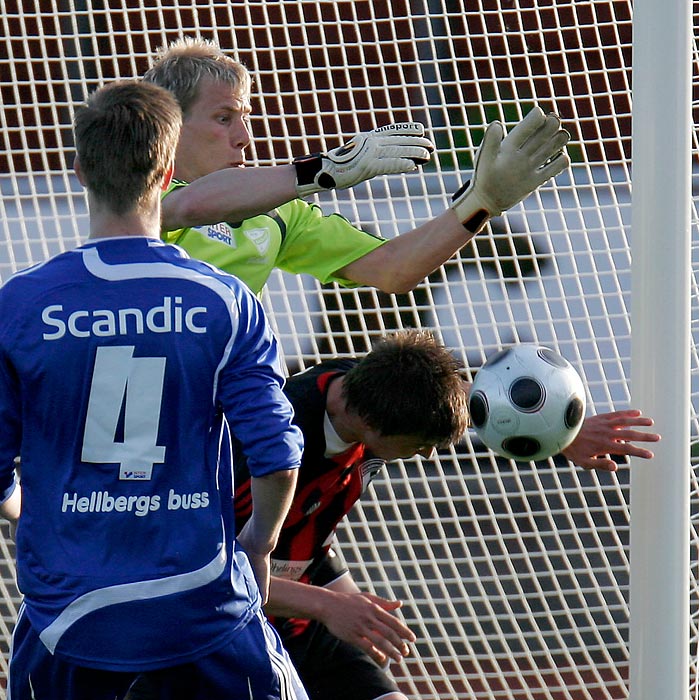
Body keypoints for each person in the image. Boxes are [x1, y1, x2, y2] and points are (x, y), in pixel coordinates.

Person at [127, 330, 660, 700]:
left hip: (298, 618)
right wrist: (330, 607)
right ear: (370, 429)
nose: (428, 456)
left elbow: (428, 397)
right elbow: (189, 568)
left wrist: (553, 436)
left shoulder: (367, 393)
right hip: (210, 632)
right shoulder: (261, 447)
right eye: (418, 446)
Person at [0, 79, 309, 699]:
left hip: (69, 617)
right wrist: (258, 544)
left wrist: (34, 515)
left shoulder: (21, 304)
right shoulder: (223, 300)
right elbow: (277, 456)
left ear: (81, 169)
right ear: (169, 173)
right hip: (204, 611)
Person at [142, 36, 572, 296]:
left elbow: (393, 269)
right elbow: (187, 207)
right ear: (171, 123)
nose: (245, 136)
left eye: (246, 116)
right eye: (224, 118)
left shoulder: (278, 213)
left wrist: (481, 203)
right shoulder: (135, 191)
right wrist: (320, 170)